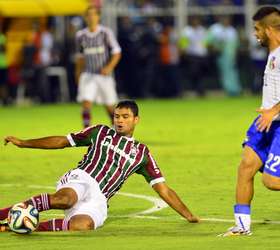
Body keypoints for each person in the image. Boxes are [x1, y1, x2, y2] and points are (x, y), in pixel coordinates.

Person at [0, 100, 199, 232]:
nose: (119, 121)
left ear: (136, 120)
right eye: (117, 116)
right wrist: (24, 142)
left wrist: (189, 215)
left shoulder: (142, 153)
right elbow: (62, 141)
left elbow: (163, 189)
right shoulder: (100, 131)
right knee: (66, 199)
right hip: (82, 178)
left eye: (125, 117)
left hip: (100, 198)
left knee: (82, 225)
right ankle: (4, 214)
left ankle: (23, 226)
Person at [220, 6, 280, 236]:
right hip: (266, 122)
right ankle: (242, 226)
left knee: (272, 182)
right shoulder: (273, 53)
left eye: (257, 29)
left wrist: (272, 110)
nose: (254, 33)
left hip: (276, 122)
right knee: (245, 167)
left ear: (269, 29)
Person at [75, 5, 121, 128]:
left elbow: (117, 52)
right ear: (85, 17)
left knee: (110, 107)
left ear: (98, 16)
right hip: (88, 75)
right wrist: (78, 75)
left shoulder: (105, 33)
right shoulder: (80, 35)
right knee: (86, 103)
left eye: (94, 14)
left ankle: (115, 131)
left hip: (104, 76)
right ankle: (86, 133)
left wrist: (109, 67)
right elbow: (80, 57)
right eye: (89, 15)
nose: (91, 17)